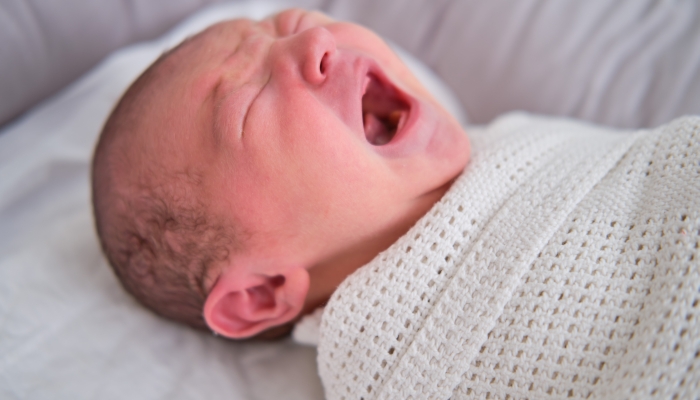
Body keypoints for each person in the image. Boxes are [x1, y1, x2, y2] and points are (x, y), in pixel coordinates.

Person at [91, 8, 471, 339]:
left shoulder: (503, 137)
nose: (314, 38)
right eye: (248, 108)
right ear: (261, 293)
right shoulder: (403, 365)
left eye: (289, 24)